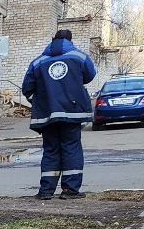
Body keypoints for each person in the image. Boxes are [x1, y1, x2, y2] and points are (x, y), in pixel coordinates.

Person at [20, 28, 97, 200]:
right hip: (72, 112)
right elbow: (90, 75)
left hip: (47, 114)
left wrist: (40, 102)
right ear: (71, 40)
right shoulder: (80, 57)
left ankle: (46, 191)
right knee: (71, 148)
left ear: (52, 39)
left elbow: (27, 88)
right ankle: (70, 190)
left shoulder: (38, 62)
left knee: (51, 150)